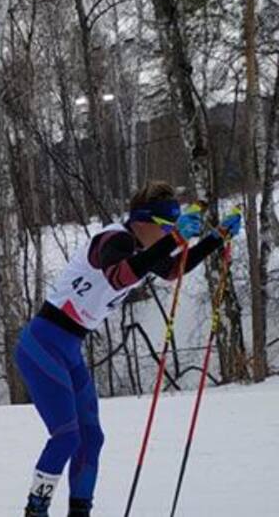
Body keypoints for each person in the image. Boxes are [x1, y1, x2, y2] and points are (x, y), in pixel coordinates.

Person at [15, 182, 241, 516]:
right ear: (142, 220)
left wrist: (215, 238)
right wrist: (176, 238)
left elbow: (170, 270)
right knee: (66, 436)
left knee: (91, 439)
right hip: (42, 344)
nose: (167, 236)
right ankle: (35, 511)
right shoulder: (114, 239)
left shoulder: (140, 249)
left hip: (70, 347)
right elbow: (119, 276)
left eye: (172, 230)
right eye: (164, 228)